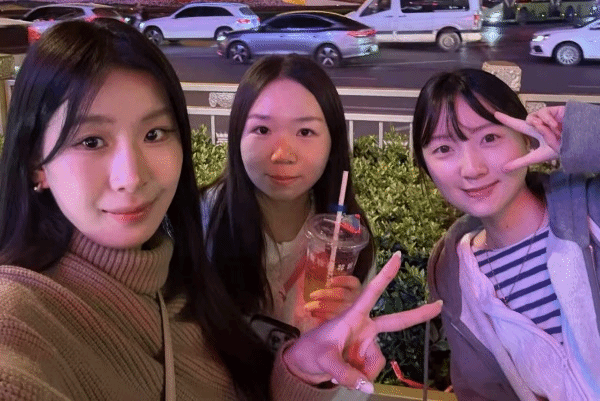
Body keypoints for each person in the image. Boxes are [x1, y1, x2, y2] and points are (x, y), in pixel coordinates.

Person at [0, 19, 443, 400]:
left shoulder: (169, 282)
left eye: (154, 134)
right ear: (35, 162)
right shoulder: (26, 314)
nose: (131, 176)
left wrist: (311, 361)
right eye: (91, 141)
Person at [412, 68, 600, 400]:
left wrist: (582, 132)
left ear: (527, 137)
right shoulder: (454, 274)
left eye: (489, 138)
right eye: (443, 149)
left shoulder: (591, 211)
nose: (472, 169)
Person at [201, 55, 376, 334]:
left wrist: (349, 326)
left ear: (333, 141)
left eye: (305, 131)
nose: (282, 155)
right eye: (262, 129)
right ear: (236, 136)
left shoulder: (348, 240)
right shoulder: (202, 221)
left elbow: (354, 349)